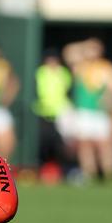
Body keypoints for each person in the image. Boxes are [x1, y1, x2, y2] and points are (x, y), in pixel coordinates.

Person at [70, 38, 112, 182]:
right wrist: (85, 44)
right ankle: (89, 173)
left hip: (99, 112)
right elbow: (69, 52)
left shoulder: (105, 67)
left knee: (105, 144)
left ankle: (110, 173)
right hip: (83, 111)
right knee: (84, 144)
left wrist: (110, 99)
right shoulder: (81, 65)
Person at [33, 49, 73, 182]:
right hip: (44, 113)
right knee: (43, 143)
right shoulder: (41, 72)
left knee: (61, 144)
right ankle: (40, 169)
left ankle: (63, 170)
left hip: (60, 114)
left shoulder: (64, 73)